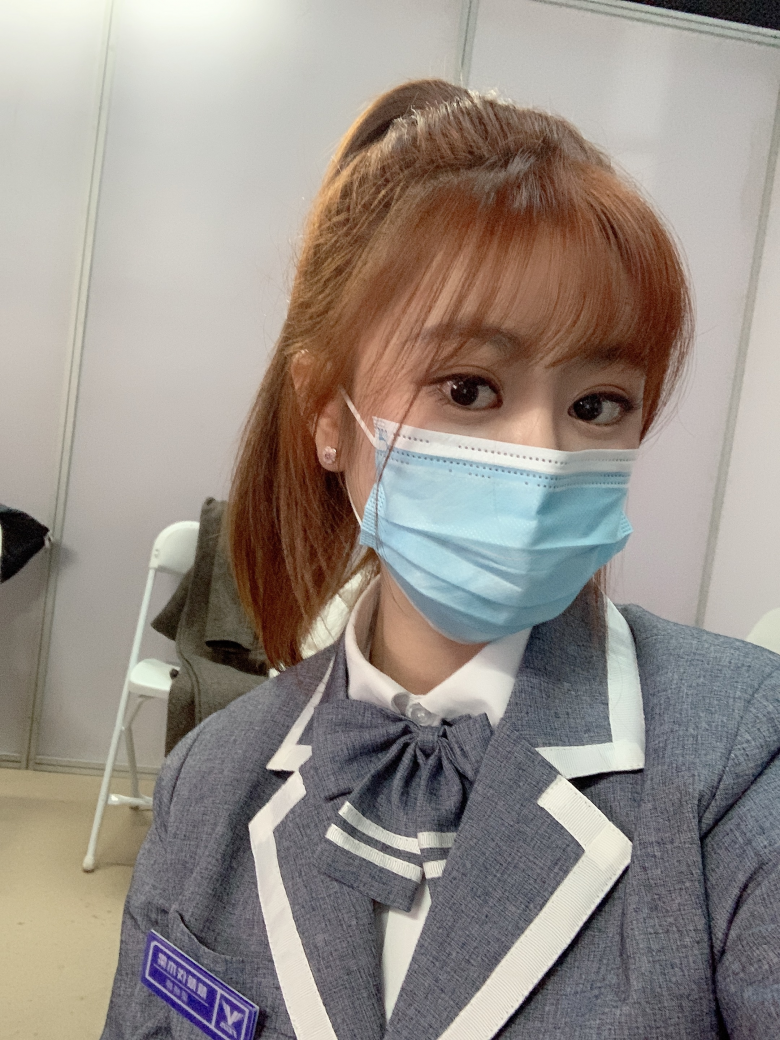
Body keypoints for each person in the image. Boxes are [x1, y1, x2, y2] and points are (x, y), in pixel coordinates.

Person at [102, 80, 780, 1040]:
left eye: (597, 405)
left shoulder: (741, 758)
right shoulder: (209, 776)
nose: (544, 457)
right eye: (469, 388)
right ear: (327, 412)